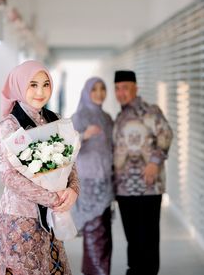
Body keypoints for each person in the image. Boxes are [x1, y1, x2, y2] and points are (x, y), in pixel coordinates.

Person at [0, 60, 79, 275]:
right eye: (33, 85)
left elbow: (70, 164)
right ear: (20, 86)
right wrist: (53, 198)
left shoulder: (55, 120)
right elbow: (10, 177)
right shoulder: (9, 126)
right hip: (19, 221)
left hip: (51, 221)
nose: (41, 92)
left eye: (46, 84)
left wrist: (73, 190)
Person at [113, 70, 173, 275]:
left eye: (125, 87)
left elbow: (166, 134)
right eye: (117, 88)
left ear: (135, 88)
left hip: (148, 188)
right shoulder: (120, 117)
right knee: (132, 239)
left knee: (148, 240)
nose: (121, 92)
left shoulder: (150, 111)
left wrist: (155, 162)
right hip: (124, 189)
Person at [71, 77, 114, 275]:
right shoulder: (79, 117)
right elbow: (66, 149)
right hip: (88, 183)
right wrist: (83, 135)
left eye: (102, 88)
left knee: (104, 233)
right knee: (94, 232)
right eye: (94, 89)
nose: (99, 93)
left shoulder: (107, 118)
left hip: (105, 181)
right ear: (86, 92)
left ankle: (99, 270)